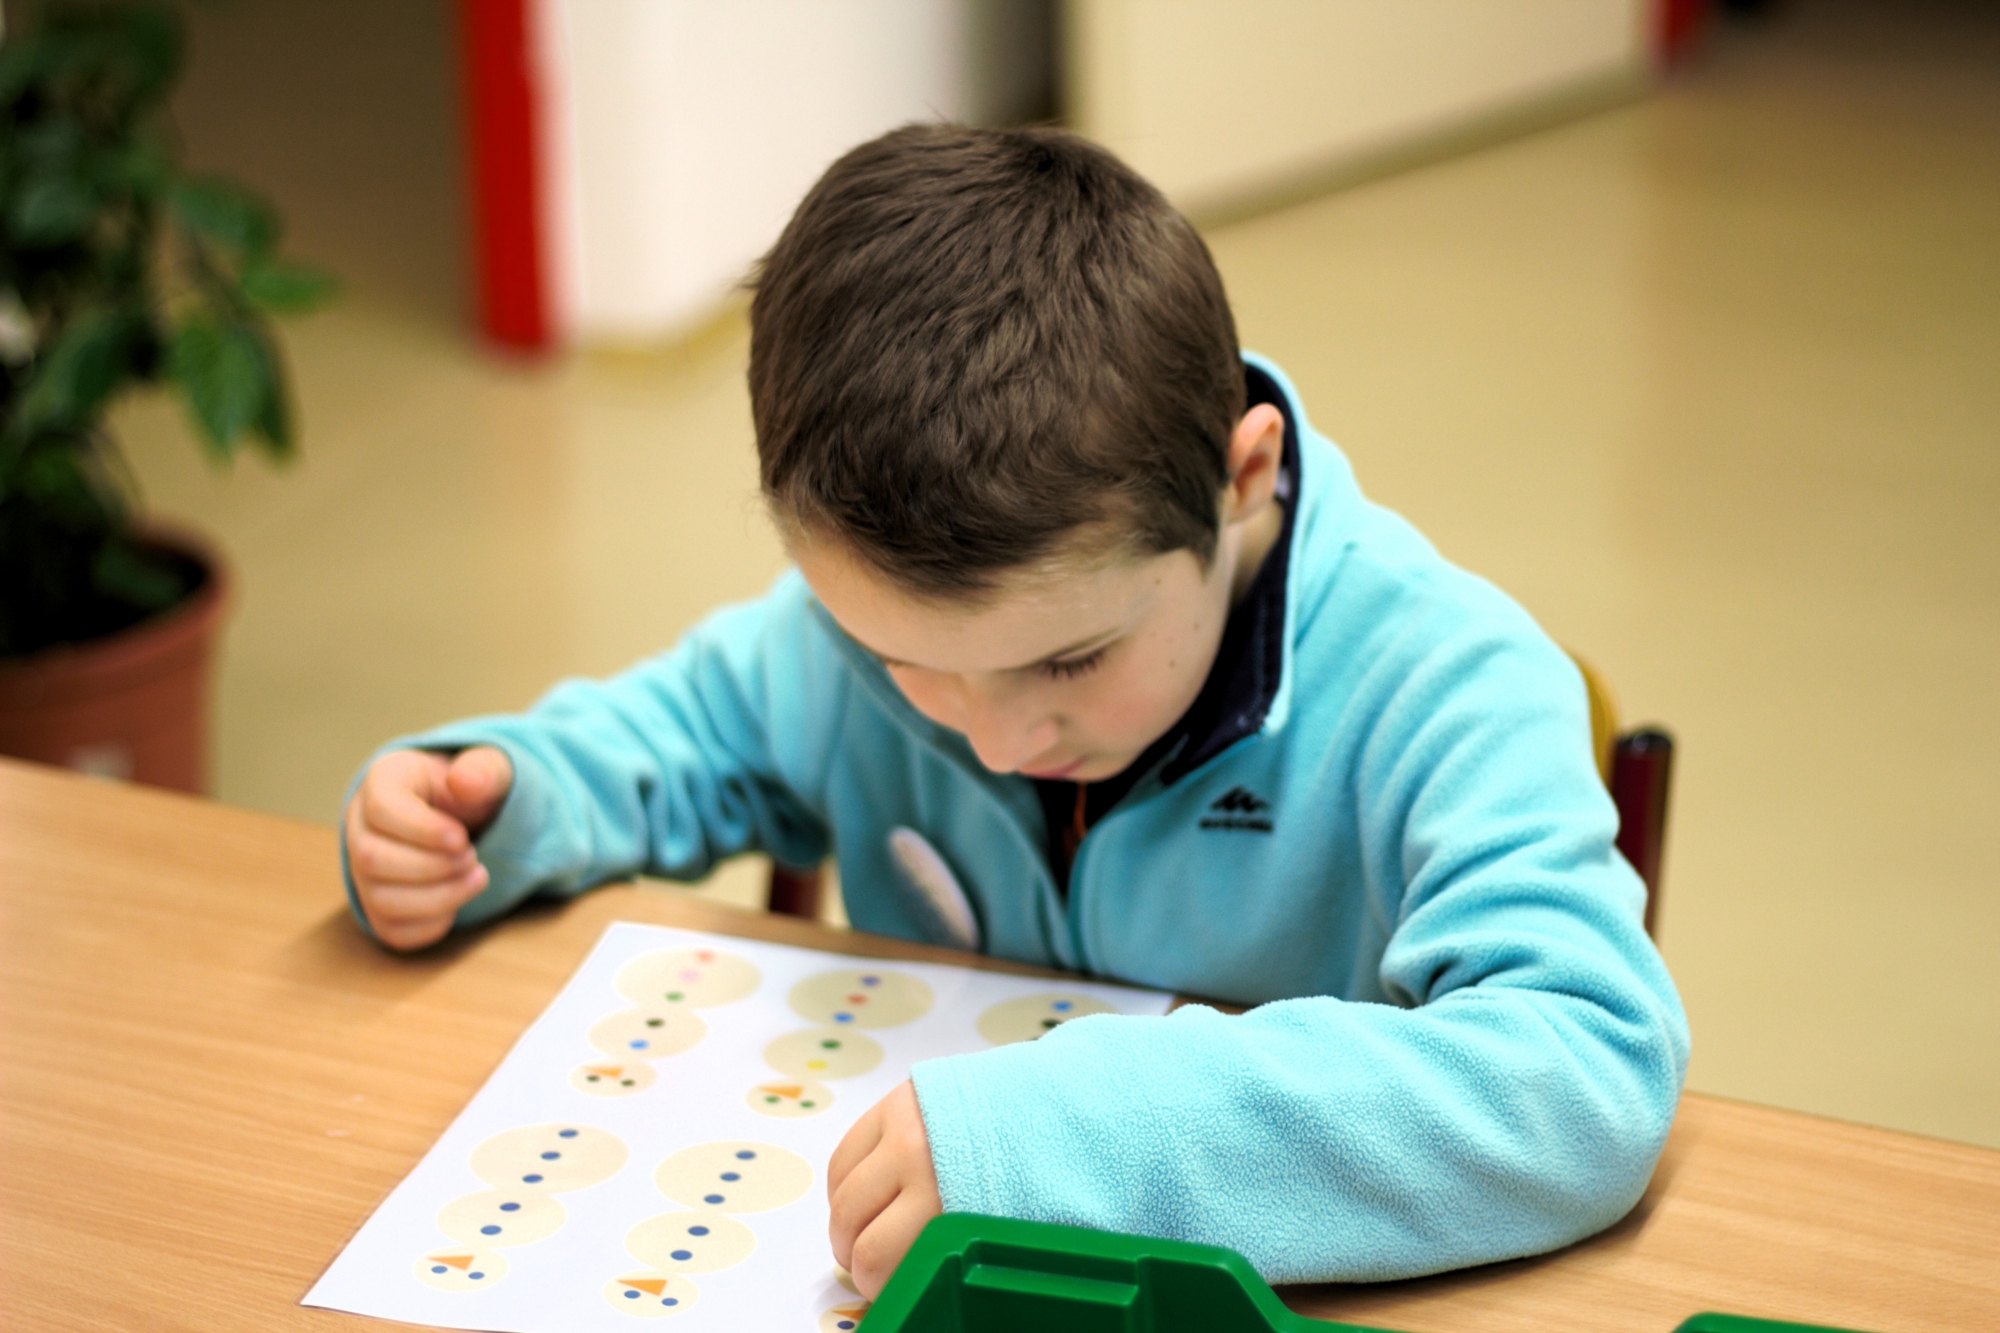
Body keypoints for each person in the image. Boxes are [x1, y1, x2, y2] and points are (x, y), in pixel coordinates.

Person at [340, 124, 1688, 1298]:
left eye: (1071, 660)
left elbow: (1587, 1069)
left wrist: (1084, 1142)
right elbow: (686, 732)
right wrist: (498, 802)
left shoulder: (1448, 686)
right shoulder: (857, 640)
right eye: (902, 659)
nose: (991, 739)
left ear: (1239, 479)